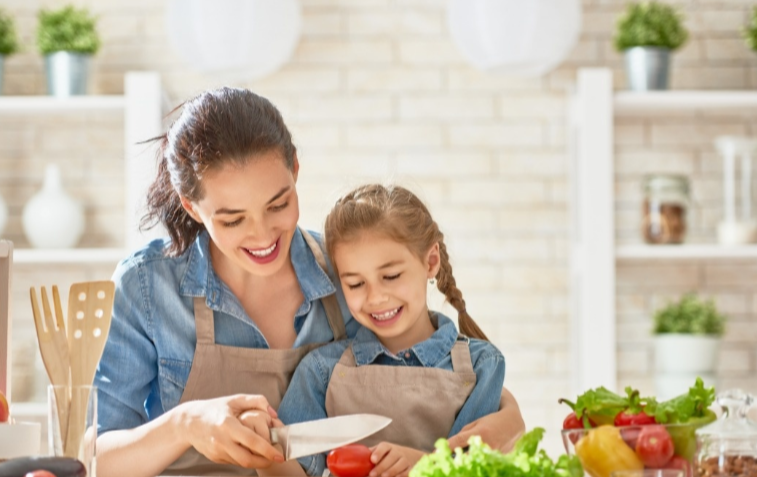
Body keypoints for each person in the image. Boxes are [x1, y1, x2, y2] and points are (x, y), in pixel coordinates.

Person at [93, 87, 526, 477]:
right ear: (191, 206)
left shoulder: (347, 275)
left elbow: (422, 367)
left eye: (278, 204)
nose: (263, 235)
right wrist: (184, 424)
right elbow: (93, 459)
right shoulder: (146, 287)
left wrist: (507, 414)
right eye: (233, 219)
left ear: (295, 169)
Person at [244, 184, 507, 477]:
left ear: (431, 262)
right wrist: (263, 453)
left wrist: (423, 464)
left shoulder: (482, 365)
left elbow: (474, 470)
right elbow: (297, 471)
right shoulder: (321, 370)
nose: (376, 297)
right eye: (356, 284)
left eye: (391, 276)